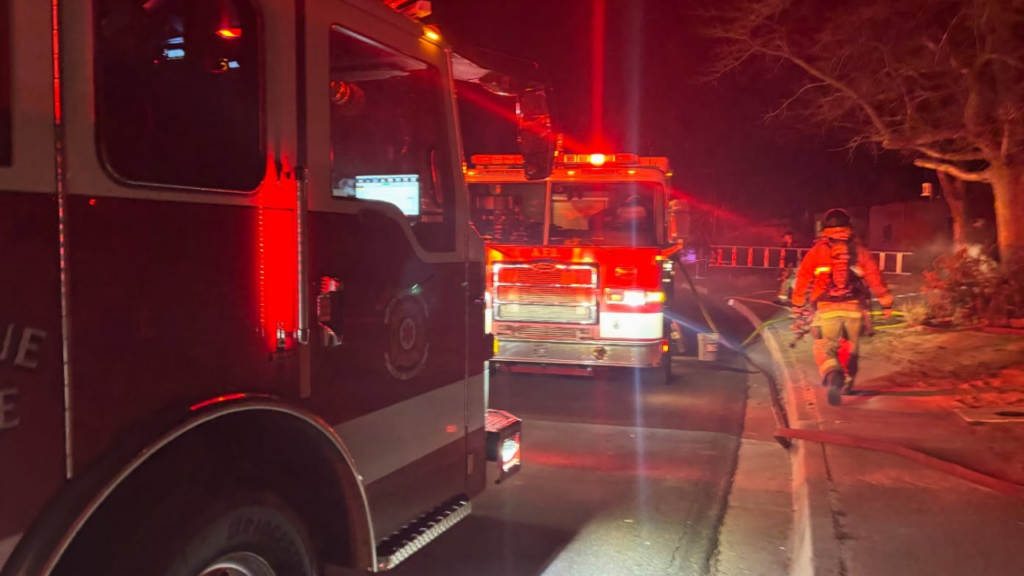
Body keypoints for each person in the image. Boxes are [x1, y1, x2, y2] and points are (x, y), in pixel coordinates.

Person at [791, 209, 894, 406]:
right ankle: (847, 382)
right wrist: (886, 304)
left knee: (825, 347)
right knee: (851, 348)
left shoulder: (817, 252)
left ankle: (832, 373)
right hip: (854, 310)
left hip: (825, 309)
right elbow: (875, 278)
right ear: (849, 225)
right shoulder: (860, 251)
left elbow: (802, 278)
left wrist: (797, 306)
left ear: (825, 227)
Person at [777, 230, 798, 302]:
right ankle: (786, 297)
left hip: (795, 265)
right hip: (787, 265)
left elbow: (798, 254)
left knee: (793, 280)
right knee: (787, 280)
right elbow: (782, 256)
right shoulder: (784, 245)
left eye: (785, 236)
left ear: (790, 236)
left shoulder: (797, 245)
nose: (784, 238)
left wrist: (792, 263)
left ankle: (791, 297)